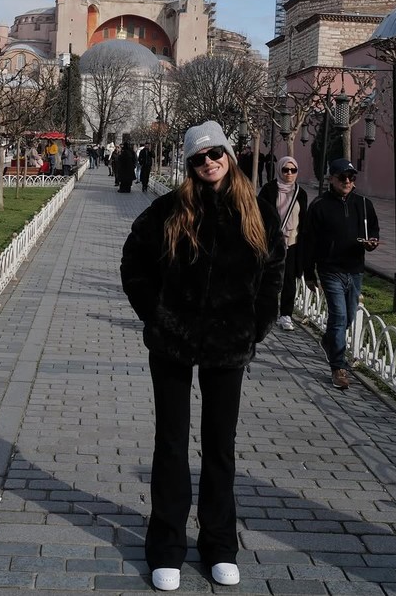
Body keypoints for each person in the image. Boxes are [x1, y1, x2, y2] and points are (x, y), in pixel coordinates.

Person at [121, 121, 285, 591]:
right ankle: (167, 546)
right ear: (189, 164)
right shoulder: (170, 210)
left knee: (220, 446)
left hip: (228, 343)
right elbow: (133, 261)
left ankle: (219, 544)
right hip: (173, 342)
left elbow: (275, 267)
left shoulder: (256, 211)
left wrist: (258, 323)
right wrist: (156, 314)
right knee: (171, 443)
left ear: (229, 155)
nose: (209, 162)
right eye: (198, 157)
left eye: (215, 153)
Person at [304, 158, 380, 390]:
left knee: (349, 317)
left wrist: (371, 243)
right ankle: (339, 367)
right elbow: (308, 241)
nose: (347, 181)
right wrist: (308, 273)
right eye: (342, 177)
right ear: (331, 179)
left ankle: (329, 341)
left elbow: (373, 230)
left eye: (351, 177)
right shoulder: (319, 205)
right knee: (338, 317)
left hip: (355, 268)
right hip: (330, 269)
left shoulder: (364, 204)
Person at [258, 156, 308, 332]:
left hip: (292, 242)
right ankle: (264, 310)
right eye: (285, 170)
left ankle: (286, 314)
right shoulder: (269, 190)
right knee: (268, 277)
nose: (289, 174)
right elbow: (260, 215)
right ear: (279, 170)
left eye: (293, 170)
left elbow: (303, 220)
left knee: (289, 279)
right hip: (271, 242)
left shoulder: (300, 193)